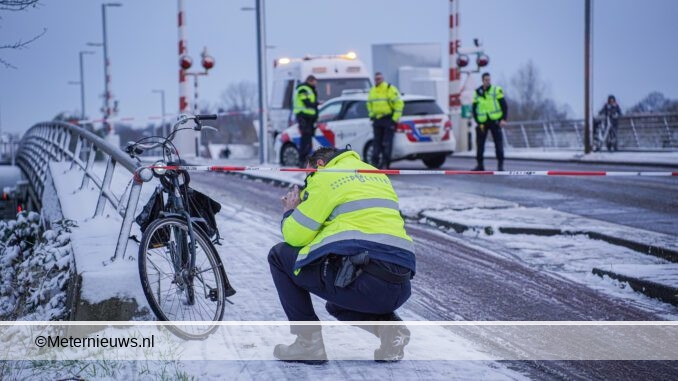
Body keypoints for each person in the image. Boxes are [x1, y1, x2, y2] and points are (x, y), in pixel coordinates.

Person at [268, 147, 416, 364]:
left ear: (319, 164)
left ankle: (307, 344)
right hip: (400, 284)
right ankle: (391, 332)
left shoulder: (326, 176)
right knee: (336, 303)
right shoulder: (374, 174)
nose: (309, 180)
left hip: (366, 280)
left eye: (308, 174)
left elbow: (296, 236)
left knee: (279, 255)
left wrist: (291, 211)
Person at [472, 72, 508, 171]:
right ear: (482, 80)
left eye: (489, 79)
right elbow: (474, 108)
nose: (488, 81)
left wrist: (503, 119)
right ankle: (480, 165)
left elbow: (504, 105)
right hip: (482, 122)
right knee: (480, 144)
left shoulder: (496, 90)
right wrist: (477, 121)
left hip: (495, 121)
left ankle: (500, 166)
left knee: (498, 144)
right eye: (486, 80)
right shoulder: (477, 92)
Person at [367, 72, 404, 169]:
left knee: (386, 143)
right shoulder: (373, 90)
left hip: (388, 119)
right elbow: (369, 104)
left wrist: (394, 119)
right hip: (377, 120)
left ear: (382, 79)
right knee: (376, 143)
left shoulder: (389, 89)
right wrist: (372, 115)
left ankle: (386, 164)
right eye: (376, 79)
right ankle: (375, 165)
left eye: (379, 78)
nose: (377, 80)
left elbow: (399, 104)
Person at [294, 75, 319, 167]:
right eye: (314, 81)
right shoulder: (303, 89)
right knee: (305, 138)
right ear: (310, 81)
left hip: (309, 118)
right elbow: (306, 102)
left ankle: (307, 159)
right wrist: (316, 104)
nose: (315, 83)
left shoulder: (310, 89)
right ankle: (302, 160)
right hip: (304, 117)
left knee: (308, 139)